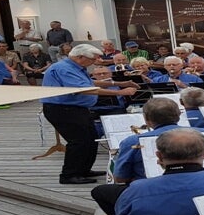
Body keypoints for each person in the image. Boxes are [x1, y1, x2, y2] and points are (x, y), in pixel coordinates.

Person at [41, 44, 136, 184]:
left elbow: (89, 83)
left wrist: (118, 83)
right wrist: (119, 92)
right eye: (93, 59)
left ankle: (83, 169)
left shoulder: (76, 67)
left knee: (91, 138)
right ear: (80, 57)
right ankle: (69, 175)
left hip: (76, 108)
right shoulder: (64, 68)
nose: (95, 62)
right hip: (63, 109)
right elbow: (85, 89)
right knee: (78, 140)